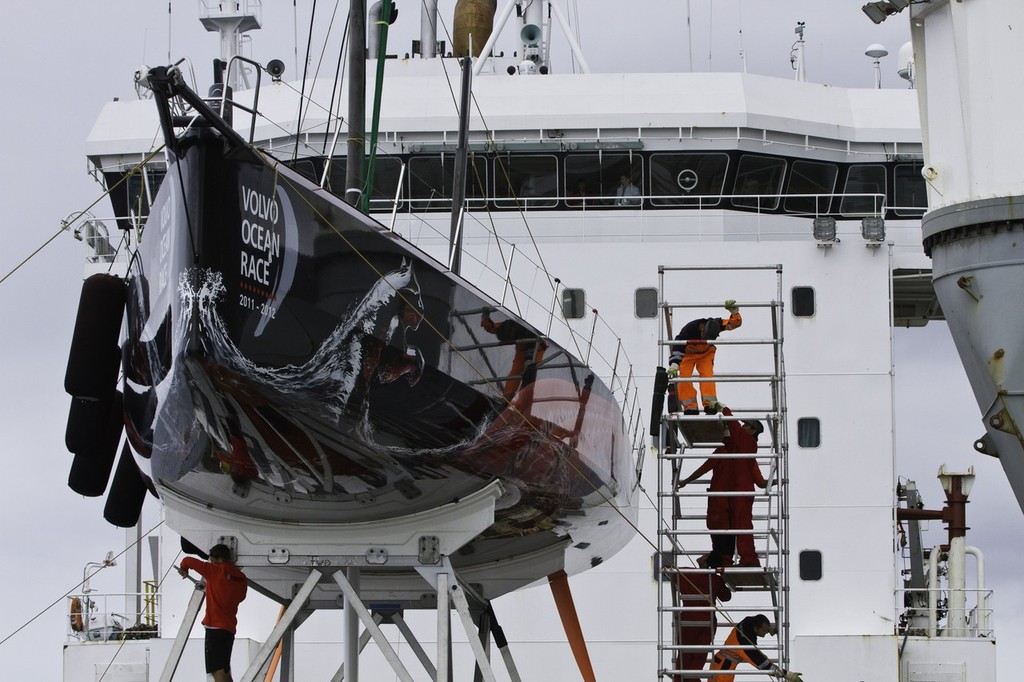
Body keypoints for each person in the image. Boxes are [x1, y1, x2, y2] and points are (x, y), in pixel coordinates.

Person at [677, 407, 766, 567]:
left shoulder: (744, 444)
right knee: (733, 530)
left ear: (752, 431)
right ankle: (732, 560)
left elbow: (733, 428)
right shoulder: (740, 451)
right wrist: (686, 480)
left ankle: (734, 560)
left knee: (728, 530)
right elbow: (759, 481)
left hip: (729, 496)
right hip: (732, 496)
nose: (743, 427)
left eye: (746, 426)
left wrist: (724, 409)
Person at [178, 544, 248, 682]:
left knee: (217, 671)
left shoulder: (214, 571)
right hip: (229, 629)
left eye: (212, 559)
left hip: (214, 628)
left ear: (219, 559)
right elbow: (241, 597)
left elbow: (187, 560)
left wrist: (184, 569)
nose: (210, 561)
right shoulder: (241, 577)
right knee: (225, 670)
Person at [667, 300, 742, 414]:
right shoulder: (689, 330)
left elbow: (734, 324)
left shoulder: (717, 325)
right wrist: (674, 364)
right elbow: (678, 346)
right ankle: (690, 407)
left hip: (706, 353)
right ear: (702, 330)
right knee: (684, 377)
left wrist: (735, 312)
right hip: (688, 355)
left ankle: (710, 404)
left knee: (707, 376)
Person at [673, 553, 732, 682]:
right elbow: (726, 597)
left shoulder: (686, 574)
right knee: (699, 655)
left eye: (705, 556)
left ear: (705, 563)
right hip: (707, 621)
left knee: (684, 653)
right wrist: (723, 578)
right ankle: (693, 678)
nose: (702, 555)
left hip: (688, 620)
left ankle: (679, 679)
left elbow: (671, 572)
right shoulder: (715, 580)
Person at [711, 614, 801, 682]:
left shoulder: (747, 622)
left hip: (720, 663)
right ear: (756, 628)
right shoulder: (745, 644)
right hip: (723, 668)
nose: (766, 633)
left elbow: (754, 619)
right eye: (764, 630)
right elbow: (764, 665)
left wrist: (770, 629)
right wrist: (788, 675)